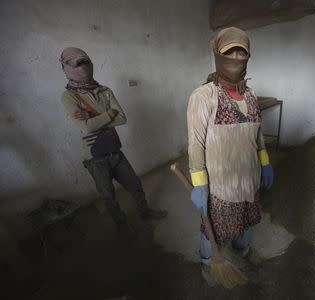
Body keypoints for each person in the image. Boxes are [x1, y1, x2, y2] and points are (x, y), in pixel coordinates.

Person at [187, 27, 274, 267]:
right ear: (217, 55)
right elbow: (196, 144)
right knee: (212, 227)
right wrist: (200, 186)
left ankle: (242, 250)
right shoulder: (204, 96)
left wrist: (265, 164)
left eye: (241, 53)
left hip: (249, 179)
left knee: (246, 221)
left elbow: (258, 136)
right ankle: (208, 260)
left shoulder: (251, 95)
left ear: (248, 56)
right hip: (220, 185)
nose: (235, 58)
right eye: (229, 53)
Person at [59, 47, 167, 231]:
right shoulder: (69, 96)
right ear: (65, 67)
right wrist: (109, 114)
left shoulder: (104, 91)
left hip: (114, 149)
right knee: (107, 195)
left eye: (85, 62)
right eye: (77, 64)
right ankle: (121, 225)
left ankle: (145, 212)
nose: (83, 67)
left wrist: (94, 118)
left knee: (135, 185)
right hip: (94, 157)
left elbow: (122, 118)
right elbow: (85, 127)